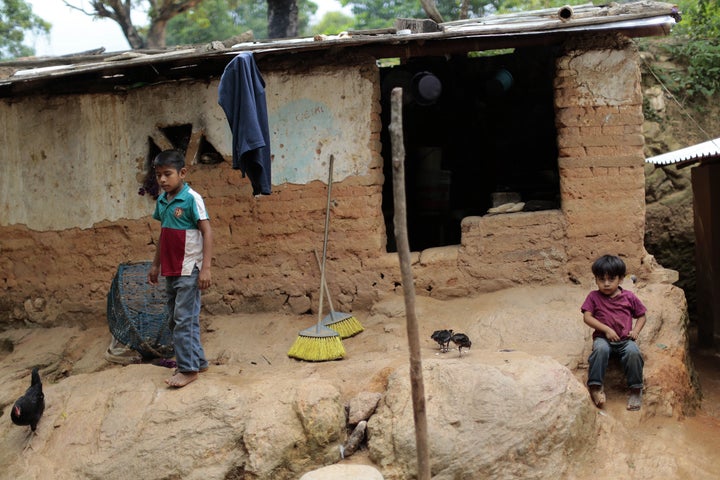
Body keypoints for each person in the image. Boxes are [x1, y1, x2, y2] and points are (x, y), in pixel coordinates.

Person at [148, 150, 213, 388]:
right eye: (158, 175)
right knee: (178, 321)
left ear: (182, 173)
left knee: (183, 319)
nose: (162, 180)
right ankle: (198, 361)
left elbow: (207, 231)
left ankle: (187, 370)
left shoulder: (191, 199)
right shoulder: (162, 201)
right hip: (171, 270)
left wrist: (205, 269)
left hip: (189, 269)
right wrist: (156, 264)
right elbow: (163, 235)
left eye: (167, 174)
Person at [581, 254, 647, 411]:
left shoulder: (629, 297)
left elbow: (642, 316)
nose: (606, 284)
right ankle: (596, 387)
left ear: (621, 279)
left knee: (634, 353)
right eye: (601, 279)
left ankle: (635, 390)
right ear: (595, 279)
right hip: (603, 338)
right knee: (600, 350)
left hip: (625, 339)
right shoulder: (593, 297)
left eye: (611, 279)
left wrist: (636, 331)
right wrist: (606, 329)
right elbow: (587, 317)